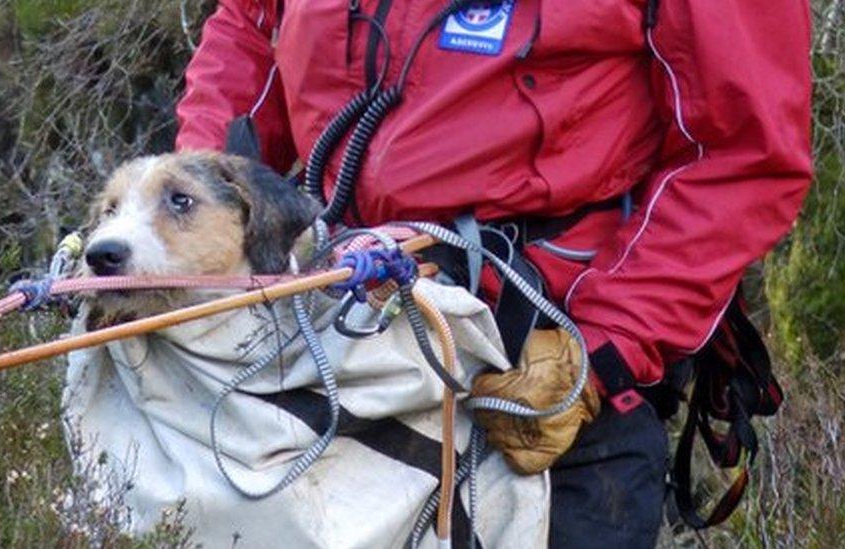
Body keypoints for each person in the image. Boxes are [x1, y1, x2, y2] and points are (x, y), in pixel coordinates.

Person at [175, 0, 813, 546]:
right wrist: (187, 213)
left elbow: (743, 153)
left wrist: (601, 351)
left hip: (540, 362)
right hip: (332, 333)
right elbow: (252, 28)